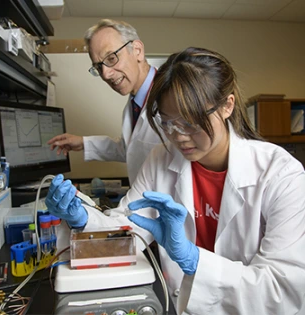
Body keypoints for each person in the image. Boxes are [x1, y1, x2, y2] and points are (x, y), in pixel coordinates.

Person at [45, 47, 305, 314]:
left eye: (190, 123)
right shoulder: (161, 158)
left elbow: (283, 291)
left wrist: (195, 261)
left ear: (227, 106)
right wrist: (83, 219)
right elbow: (129, 229)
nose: (178, 136)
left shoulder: (281, 175)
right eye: (168, 123)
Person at [47, 19, 164, 185]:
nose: (106, 74)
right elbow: (131, 150)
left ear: (137, 50)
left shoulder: (171, 98)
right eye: (98, 67)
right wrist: (82, 142)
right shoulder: (135, 102)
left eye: (111, 59)